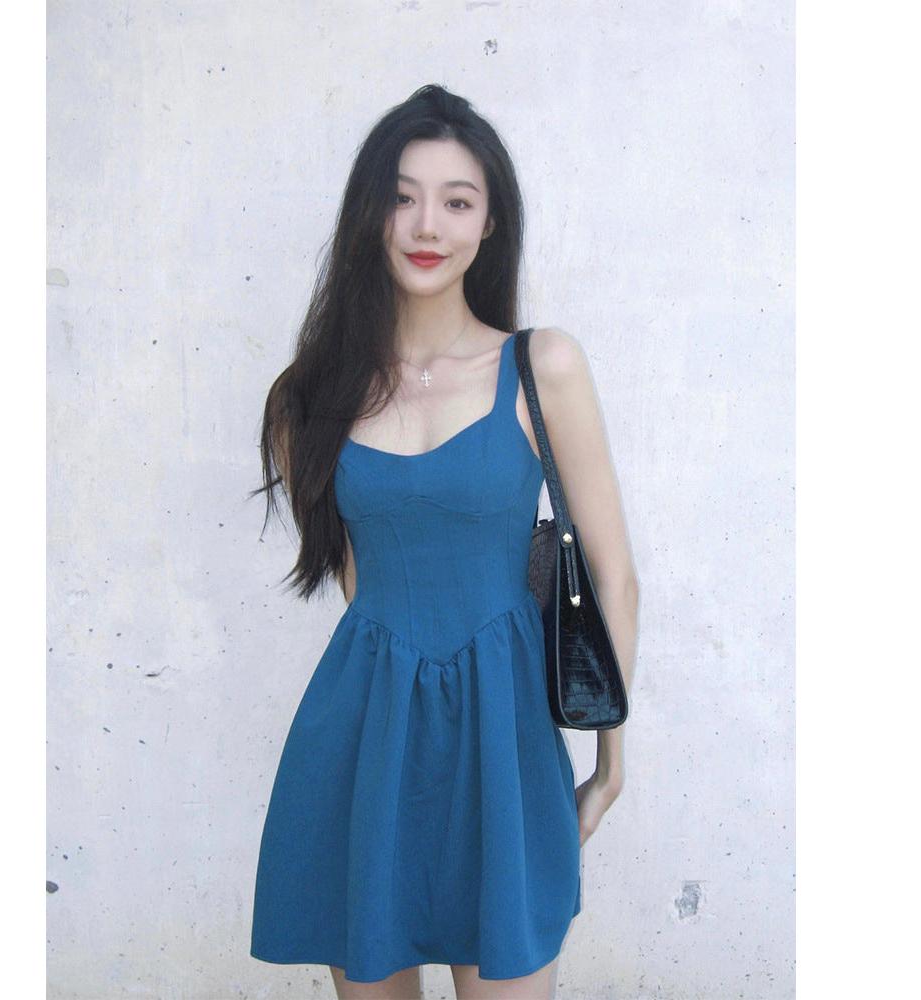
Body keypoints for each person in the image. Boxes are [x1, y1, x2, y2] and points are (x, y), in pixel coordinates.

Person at [248, 83, 639, 1000]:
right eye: (403, 196)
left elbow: (613, 574)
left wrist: (609, 764)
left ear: (489, 222)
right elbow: (357, 582)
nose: (428, 224)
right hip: (364, 740)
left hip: (508, 740)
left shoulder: (542, 366)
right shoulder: (308, 397)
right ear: (369, 213)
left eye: (457, 201)